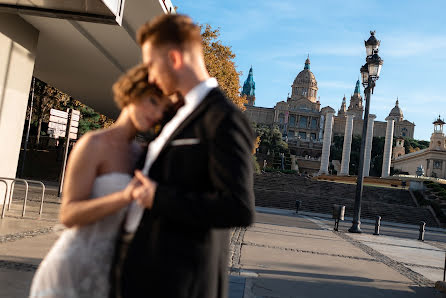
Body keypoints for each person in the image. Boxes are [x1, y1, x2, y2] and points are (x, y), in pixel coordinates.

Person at [117, 14, 255, 298]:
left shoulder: (224, 118)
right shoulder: (175, 116)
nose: (151, 76)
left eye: (152, 65)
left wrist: (158, 197)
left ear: (175, 58)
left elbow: (238, 207)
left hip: (181, 284)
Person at [29, 65, 171, 298]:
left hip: (113, 276)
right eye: (153, 101)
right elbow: (69, 214)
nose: (156, 114)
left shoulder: (144, 155)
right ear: (134, 92)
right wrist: (124, 197)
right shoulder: (92, 144)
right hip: (72, 269)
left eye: (163, 110)